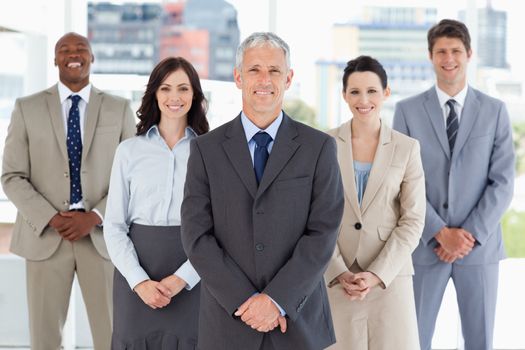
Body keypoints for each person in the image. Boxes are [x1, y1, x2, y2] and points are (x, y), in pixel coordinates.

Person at [180, 32, 344, 350]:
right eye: (254, 69)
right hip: (229, 323)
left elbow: (323, 233)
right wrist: (246, 301)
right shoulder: (205, 150)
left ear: (289, 78)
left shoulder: (319, 147)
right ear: (239, 77)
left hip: (296, 322)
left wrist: (276, 300)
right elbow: (196, 236)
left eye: (274, 70)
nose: (264, 79)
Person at [1, 32, 135, 349]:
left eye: (81, 49)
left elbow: (131, 176)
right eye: (65, 49)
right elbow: (11, 175)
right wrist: (50, 217)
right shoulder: (26, 108)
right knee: (45, 339)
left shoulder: (119, 109)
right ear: (55, 59)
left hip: (102, 239)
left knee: (112, 336)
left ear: (92, 58)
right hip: (45, 236)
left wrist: (96, 216)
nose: (73, 54)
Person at [393, 19, 515, 350]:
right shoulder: (406, 111)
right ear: (431, 56)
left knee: (480, 341)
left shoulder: (495, 111)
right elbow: (401, 179)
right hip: (423, 247)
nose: (449, 59)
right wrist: (438, 231)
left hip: (478, 249)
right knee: (413, 340)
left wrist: (468, 235)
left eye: (456, 51)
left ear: (469, 54)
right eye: (442, 51)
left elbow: (502, 182)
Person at [104, 56, 209, 349]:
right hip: (136, 272)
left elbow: (219, 229)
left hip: (193, 273)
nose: (174, 97)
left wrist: (183, 278)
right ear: (154, 94)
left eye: (183, 89)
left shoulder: (211, 153)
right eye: (165, 88)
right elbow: (113, 225)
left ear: (195, 95)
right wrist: (139, 281)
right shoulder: (129, 151)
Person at [323, 55, 425, 350]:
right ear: (344, 95)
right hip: (339, 280)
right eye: (354, 91)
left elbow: (413, 219)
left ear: (386, 93)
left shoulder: (407, 148)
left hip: (389, 280)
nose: (363, 99)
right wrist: (338, 270)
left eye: (372, 91)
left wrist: (377, 273)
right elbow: (315, 217)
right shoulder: (324, 145)